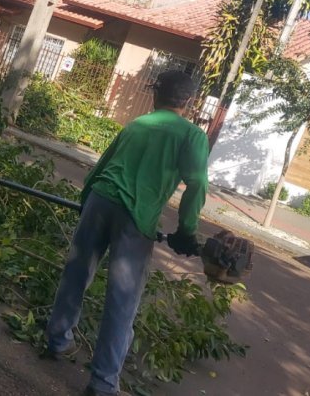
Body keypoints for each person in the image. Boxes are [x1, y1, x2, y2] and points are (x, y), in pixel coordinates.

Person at [44, 70, 209, 396]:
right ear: (189, 102)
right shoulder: (192, 136)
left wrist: (86, 205)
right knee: (121, 300)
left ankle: (55, 341)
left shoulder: (137, 124)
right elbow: (198, 183)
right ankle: (103, 383)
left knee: (76, 274)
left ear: (155, 95)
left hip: (100, 199)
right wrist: (186, 232)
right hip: (135, 216)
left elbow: (101, 166)